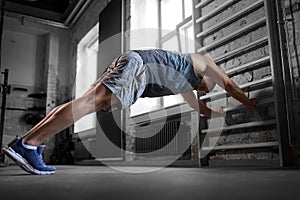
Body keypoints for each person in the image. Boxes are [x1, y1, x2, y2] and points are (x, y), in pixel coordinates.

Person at [2, 49, 258, 175]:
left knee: (89, 101)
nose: (204, 91)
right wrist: (249, 103)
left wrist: (214, 112)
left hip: (134, 65)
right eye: (207, 88)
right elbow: (231, 85)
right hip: (139, 66)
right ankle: (29, 144)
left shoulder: (184, 82)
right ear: (209, 77)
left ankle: (28, 143)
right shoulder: (204, 63)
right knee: (94, 102)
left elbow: (197, 106)